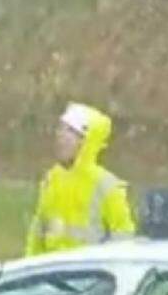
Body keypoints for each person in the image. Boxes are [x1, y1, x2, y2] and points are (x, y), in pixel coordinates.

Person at [25, 103, 136, 257]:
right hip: (51, 274)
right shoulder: (51, 180)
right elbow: (37, 234)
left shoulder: (106, 186)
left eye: (70, 132)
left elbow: (123, 239)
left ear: (86, 141)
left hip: (90, 276)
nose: (61, 137)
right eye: (60, 130)